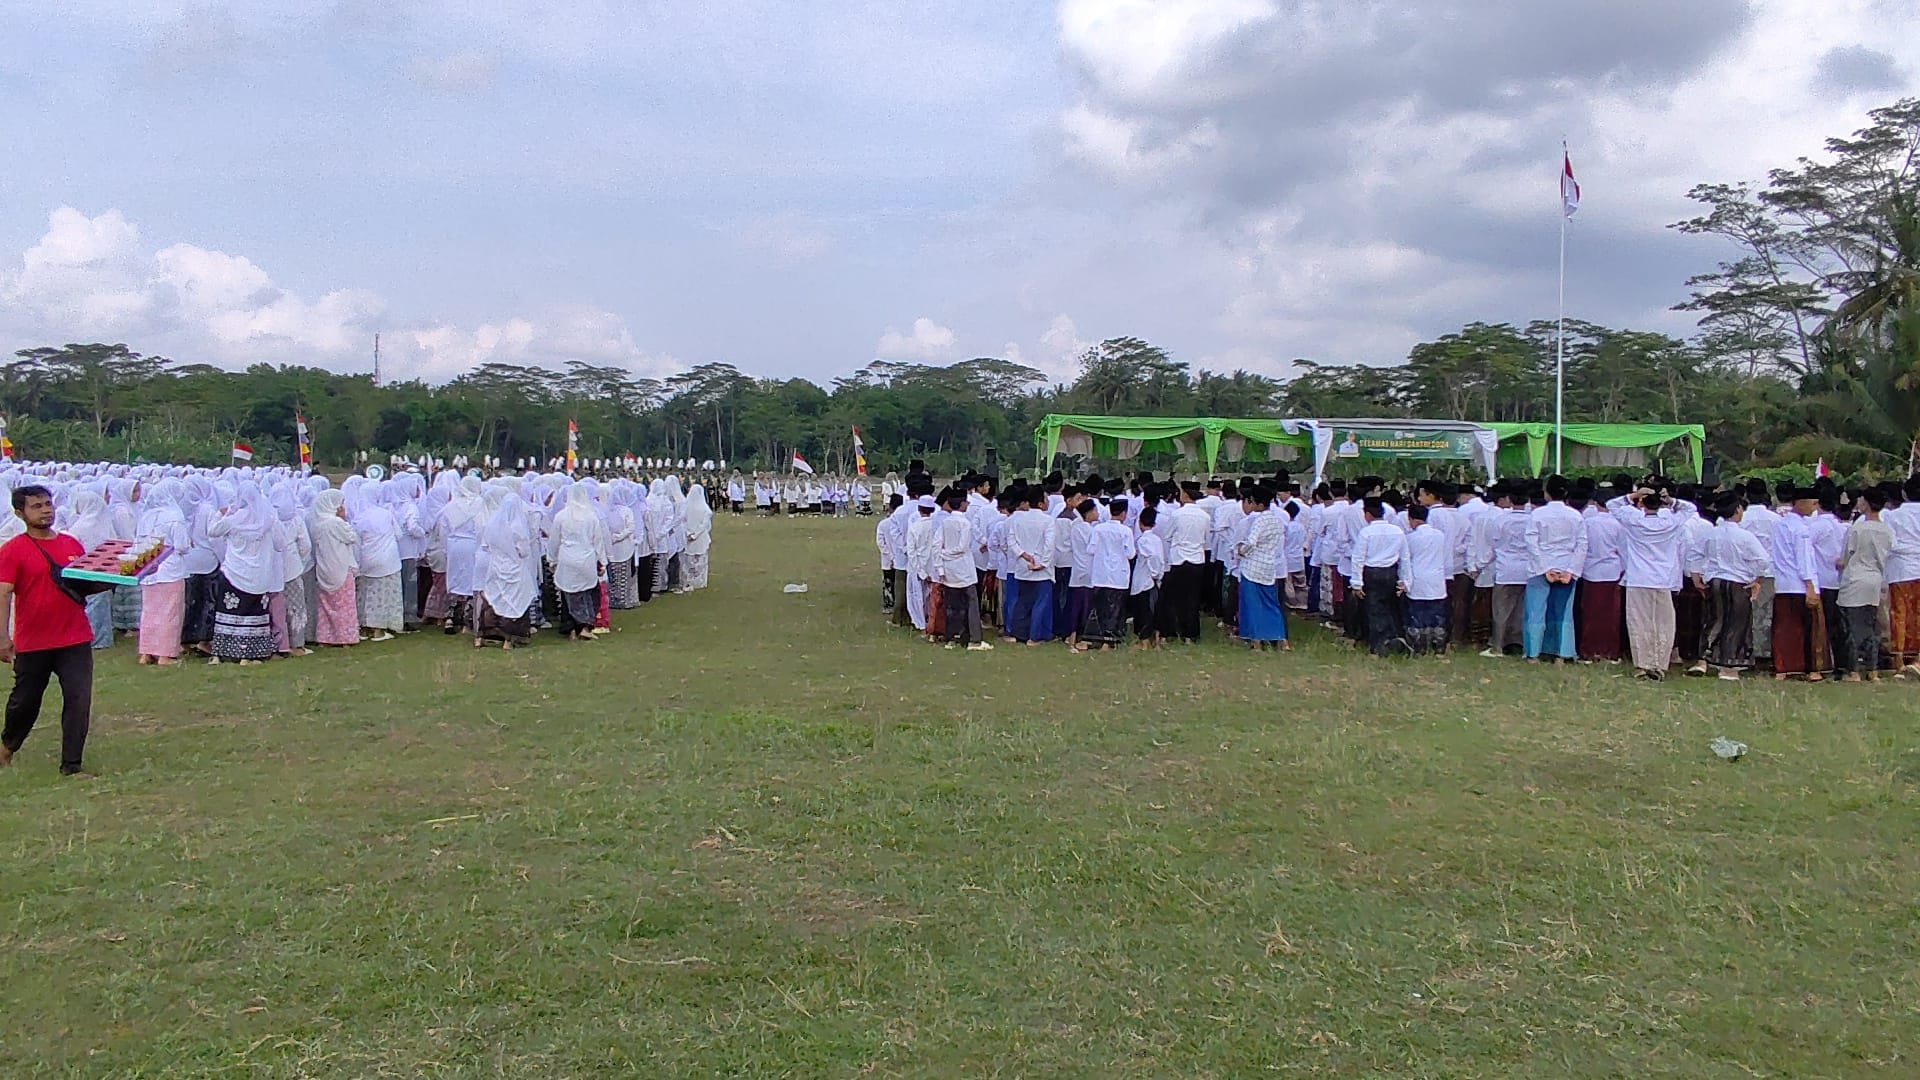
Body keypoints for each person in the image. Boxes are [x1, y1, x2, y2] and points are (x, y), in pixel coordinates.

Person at [0, 484, 95, 775]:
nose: (45, 511)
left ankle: (72, 765)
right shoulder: (13, 550)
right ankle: (7, 747)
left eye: (48, 504)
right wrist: (2, 637)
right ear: (20, 513)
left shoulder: (71, 544)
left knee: (79, 699)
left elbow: (85, 582)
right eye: (36, 506)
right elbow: (3, 594)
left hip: (75, 637)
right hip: (34, 641)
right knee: (25, 702)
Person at [1608, 486, 1686, 680]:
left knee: (1639, 622)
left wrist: (1633, 495)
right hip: (1663, 579)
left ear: (1642, 505)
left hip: (1639, 578)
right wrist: (1671, 501)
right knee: (1663, 622)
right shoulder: (1670, 522)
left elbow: (1612, 504)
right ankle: (1660, 664)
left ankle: (1644, 664)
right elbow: (1690, 509)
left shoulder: (1634, 522)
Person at [1692, 493, 1772, 680]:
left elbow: (1694, 555)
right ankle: (1729, 666)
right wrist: (1758, 580)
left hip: (1715, 581)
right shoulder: (1745, 536)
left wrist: (1696, 577)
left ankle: (1703, 659)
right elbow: (1763, 560)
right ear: (1737, 510)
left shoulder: (1710, 533)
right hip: (1737, 582)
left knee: (1713, 620)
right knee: (1736, 624)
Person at [207, 482, 280, 664]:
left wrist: (221, 513)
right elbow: (280, 544)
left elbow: (213, 531)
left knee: (231, 610)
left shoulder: (235, 518)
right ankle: (251, 654)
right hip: (259, 575)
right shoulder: (268, 519)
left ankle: (225, 652)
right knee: (254, 612)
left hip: (235, 571)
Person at [1522, 478, 1585, 663]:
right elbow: (1582, 545)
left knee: (1535, 611)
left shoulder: (1538, 514)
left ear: (1546, 493)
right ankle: (1562, 654)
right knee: (1564, 612)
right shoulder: (1575, 515)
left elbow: (1531, 541)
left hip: (1540, 567)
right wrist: (1571, 571)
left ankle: (1533, 653)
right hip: (1566, 567)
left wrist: (1544, 568)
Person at [1769, 488, 1828, 682]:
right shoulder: (1801, 529)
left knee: (1783, 628)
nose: (1814, 507)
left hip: (1783, 584)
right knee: (1808, 629)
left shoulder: (1780, 525)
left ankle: (1782, 667)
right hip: (1799, 585)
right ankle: (1810, 668)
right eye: (1812, 503)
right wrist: (1810, 586)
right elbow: (1804, 560)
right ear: (1800, 503)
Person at [1836, 489, 1893, 681]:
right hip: (1875, 580)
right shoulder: (1886, 530)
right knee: (1870, 626)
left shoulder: (1857, 528)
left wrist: (1838, 563)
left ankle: (1853, 671)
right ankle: (1873, 670)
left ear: (1866, 504)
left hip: (1855, 579)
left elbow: (1846, 557)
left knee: (1851, 627)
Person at [474, 488, 537, 650]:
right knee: (516, 598)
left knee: (493, 598)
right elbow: (524, 550)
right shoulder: (517, 526)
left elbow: (485, 545)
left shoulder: (492, 523)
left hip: (495, 565)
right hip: (513, 566)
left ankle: (483, 635)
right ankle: (510, 637)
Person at [549, 484, 608, 642]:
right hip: (587, 559)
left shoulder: (561, 516)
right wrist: (602, 562)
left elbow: (554, 541)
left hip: (567, 558)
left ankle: (572, 628)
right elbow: (598, 541)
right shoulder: (591, 516)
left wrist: (552, 559)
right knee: (587, 593)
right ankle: (584, 626)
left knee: (569, 594)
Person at [1350, 497, 1409, 656]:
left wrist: (1356, 582)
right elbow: (1404, 557)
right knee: (1391, 607)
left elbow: (1358, 558)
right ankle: (1395, 637)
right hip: (1390, 572)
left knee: (1374, 610)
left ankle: (1378, 645)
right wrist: (1404, 580)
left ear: (1367, 514)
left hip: (1372, 573)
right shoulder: (1397, 531)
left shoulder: (1366, 532)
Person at [1233, 487, 1290, 651]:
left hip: (1252, 567)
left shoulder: (1259, 520)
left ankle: (1256, 640)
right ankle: (1280, 639)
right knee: (1271, 604)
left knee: (1252, 605)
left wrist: (1240, 551)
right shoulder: (1277, 519)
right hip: (1269, 566)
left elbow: (1251, 542)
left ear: (1258, 503)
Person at [1077, 497, 1134, 652]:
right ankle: (1109, 641)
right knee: (1115, 609)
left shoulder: (1098, 529)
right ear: (1123, 514)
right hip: (1118, 576)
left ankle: (1093, 638)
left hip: (1100, 574)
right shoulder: (1126, 531)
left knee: (1099, 608)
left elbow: (1091, 549)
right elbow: (1130, 553)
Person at [308, 490, 361, 647]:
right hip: (340, 566)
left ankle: (326, 637)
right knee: (344, 603)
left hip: (324, 567)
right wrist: (343, 519)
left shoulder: (316, 523)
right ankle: (345, 637)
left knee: (326, 604)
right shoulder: (335, 523)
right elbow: (351, 537)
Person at [937, 490, 987, 650]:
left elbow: (937, 544)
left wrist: (942, 558)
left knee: (952, 604)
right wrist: (948, 553)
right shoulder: (965, 523)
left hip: (949, 567)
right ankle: (974, 639)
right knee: (971, 602)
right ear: (962, 504)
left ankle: (952, 637)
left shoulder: (946, 522)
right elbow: (962, 547)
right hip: (963, 567)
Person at [1403, 503, 1450, 655]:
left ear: (1412, 519)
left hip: (1417, 580)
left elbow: (1406, 561)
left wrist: (1404, 581)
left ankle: (1419, 647)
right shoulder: (1440, 535)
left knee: (1417, 615)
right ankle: (1439, 647)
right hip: (1436, 579)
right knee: (1437, 615)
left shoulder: (1410, 538)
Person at [1130, 505, 1166, 648]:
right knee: (1152, 609)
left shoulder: (1143, 541)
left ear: (1140, 523)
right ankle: (1153, 639)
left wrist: (1154, 573)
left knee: (1144, 610)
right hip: (1154, 578)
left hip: (1146, 579)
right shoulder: (1157, 539)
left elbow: (1152, 557)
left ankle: (1144, 641)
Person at [682, 482, 714, 590]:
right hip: (700, 537)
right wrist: (695, 535)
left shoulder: (685, 507)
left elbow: (683, 521)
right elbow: (704, 525)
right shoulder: (705, 509)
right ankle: (700, 581)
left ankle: (689, 580)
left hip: (688, 537)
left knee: (689, 561)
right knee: (701, 561)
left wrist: (688, 533)